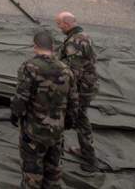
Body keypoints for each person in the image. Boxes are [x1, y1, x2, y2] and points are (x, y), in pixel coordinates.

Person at [11, 29, 79, 189]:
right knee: (53, 171)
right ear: (53, 47)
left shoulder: (30, 67)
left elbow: (21, 96)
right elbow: (74, 101)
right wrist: (68, 122)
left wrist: (15, 114)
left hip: (34, 131)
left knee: (32, 173)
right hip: (56, 133)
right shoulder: (66, 70)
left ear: (35, 46)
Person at [56, 11, 99, 172]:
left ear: (66, 24)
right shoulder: (83, 36)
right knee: (81, 118)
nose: (59, 28)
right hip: (87, 85)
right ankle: (85, 151)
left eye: (59, 24)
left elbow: (73, 72)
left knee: (78, 119)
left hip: (80, 89)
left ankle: (90, 159)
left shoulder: (74, 42)